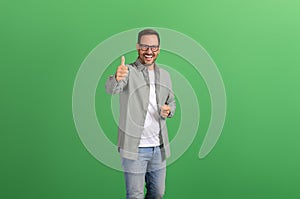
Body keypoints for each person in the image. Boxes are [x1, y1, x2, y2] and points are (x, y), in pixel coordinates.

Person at [105, 29, 176, 199]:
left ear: (159, 49)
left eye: (154, 47)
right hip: (134, 148)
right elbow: (111, 89)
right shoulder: (128, 71)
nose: (149, 51)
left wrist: (169, 110)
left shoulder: (165, 75)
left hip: (159, 148)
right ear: (138, 47)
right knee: (135, 195)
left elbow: (171, 102)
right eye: (145, 46)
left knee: (158, 193)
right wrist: (117, 76)